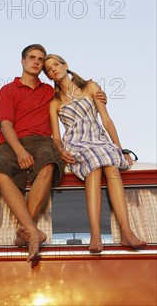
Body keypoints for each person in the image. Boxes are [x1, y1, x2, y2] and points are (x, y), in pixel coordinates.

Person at [0, 44, 106, 261]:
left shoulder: (50, 92)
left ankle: (26, 231)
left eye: (40, 59)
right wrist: (20, 152)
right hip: (11, 142)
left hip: (41, 140)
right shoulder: (7, 90)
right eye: (32, 57)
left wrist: (97, 95)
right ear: (22, 61)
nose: (36, 62)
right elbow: (5, 125)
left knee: (49, 162)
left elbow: (75, 94)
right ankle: (32, 231)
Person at [43, 53, 146, 253]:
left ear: (66, 65)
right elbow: (55, 136)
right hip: (75, 142)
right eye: (49, 69)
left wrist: (121, 148)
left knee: (112, 165)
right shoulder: (54, 102)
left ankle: (126, 231)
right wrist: (60, 150)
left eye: (56, 64)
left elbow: (106, 120)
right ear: (48, 76)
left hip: (98, 138)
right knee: (95, 166)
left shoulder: (90, 87)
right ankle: (95, 234)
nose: (53, 69)